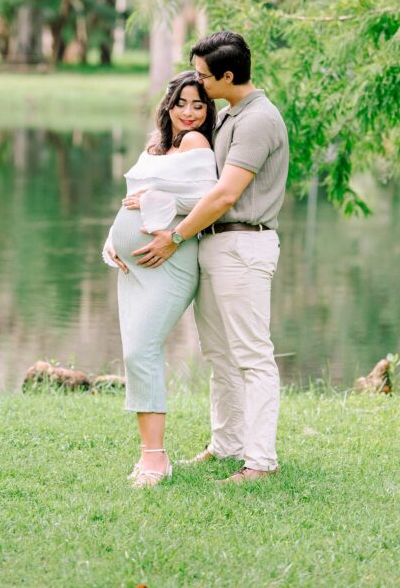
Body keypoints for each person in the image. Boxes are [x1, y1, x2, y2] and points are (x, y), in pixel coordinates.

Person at [130, 31, 289, 485]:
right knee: (219, 354)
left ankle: (260, 461)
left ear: (227, 75)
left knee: (252, 356)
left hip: (244, 244)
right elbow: (200, 188)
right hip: (216, 245)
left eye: (203, 76)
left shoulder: (259, 119)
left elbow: (224, 195)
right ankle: (226, 444)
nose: (197, 85)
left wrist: (174, 238)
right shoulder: (230, 118)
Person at [102, 71, 219, 488]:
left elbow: (208, 196)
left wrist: (154, 200)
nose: (189, 113)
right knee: (135, 352)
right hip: (133, 265)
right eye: (182, 103)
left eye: (199, 105)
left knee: (142, 349)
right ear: (168, 105)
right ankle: (149, 454)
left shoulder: (196, 143)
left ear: (208, 112)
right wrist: (112, 241)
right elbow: (129, 200)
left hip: (170, 261)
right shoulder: (156, 146)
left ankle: (156, 459)